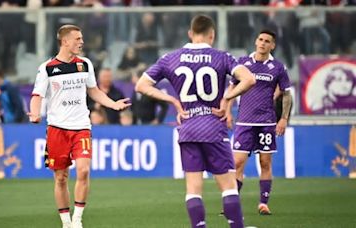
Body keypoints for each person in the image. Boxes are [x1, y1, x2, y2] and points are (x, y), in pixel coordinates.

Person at [135, 15, 255, 228]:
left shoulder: (170, 58)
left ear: (190, 33)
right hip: (213, 127)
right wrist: (227, 98)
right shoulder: (221, 57)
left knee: (193, 188)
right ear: (212, 34)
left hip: (188, 128)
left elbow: (142, 85)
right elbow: (249, 79)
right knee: (228, 186)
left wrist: (172, 99)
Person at [28, 24, 130, 228]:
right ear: (65, 41)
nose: (82, 42)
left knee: (83, 171)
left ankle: (77, 219)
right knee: (61, 177)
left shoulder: (85, 64)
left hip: (81, 126)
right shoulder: (47, 68)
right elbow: (37, 95)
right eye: (77, 39)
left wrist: (113, 103)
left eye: (82, 38)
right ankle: (66, 221)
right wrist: (36, 113)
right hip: (57, 128)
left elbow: (94, 91)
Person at [226, 29, 292, 216]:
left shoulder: (278, 67)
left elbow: (286, 94)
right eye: (260, 39)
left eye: (267, 41)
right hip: (244, 121)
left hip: (266, 121)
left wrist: (284, 118)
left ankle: (263, 203)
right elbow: (232, 87)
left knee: (265, 162)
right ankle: (232, 205)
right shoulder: (243, 63)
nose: (263, 43)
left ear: (273, 45)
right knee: (237, 163)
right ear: (256, 41)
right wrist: (228, 112)